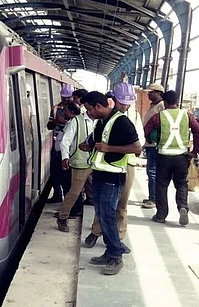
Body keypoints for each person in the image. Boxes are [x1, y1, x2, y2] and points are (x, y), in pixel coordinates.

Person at [80, 91, 141, 275]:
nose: (88, 113)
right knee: (102, 214)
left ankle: (116, 256)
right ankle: (109, 251)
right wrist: (88, 144)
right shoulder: (101, 122)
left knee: (108, 216)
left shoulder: (121, 121)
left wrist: (109, 148)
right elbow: (98, 141)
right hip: (100, 175)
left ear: (98, 106)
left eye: (89, 109)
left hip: (113, 179)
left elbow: (137, 148)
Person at [144, 90, 199, 226]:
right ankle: (182, 207)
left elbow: (146, 130)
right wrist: (194, 151)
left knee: (161, 185)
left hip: (163, 156)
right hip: (182, 157)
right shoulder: (187, 116)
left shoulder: (158, 117)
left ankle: (161, 215)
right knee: (181, 184)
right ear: (177, 101)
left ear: (164, 102)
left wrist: (151, 140)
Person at [56, 99, 93, 232]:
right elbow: (65, 141)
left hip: (97, 163)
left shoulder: (102, 121)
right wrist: (65, 157)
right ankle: (62, 217)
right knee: (74, 192)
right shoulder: (76, 121)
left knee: (98, 195)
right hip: (80, 163)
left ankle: (98, 228)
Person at [46, 84, 74, 203]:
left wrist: (64, 121)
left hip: (70, 145)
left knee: (66, 174)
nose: (66, 100)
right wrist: (55, 122)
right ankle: (57, 194)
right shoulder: (55, 108)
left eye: (68, 97)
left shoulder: (76, 109)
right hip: (57, 143)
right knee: (54, 172)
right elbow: (49, 126)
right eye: (64, 97)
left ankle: (68, 198)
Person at [142, 83, 165, 209]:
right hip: (149, 143)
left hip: (154, 143)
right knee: (151, 171)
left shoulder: (162, 106)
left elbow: (161, 125)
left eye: (151, 92)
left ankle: (153, 199)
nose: (148, 94)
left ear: (159, 93)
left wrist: (151, 137)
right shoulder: (153, 105)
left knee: (152, 171)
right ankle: (152, 196)